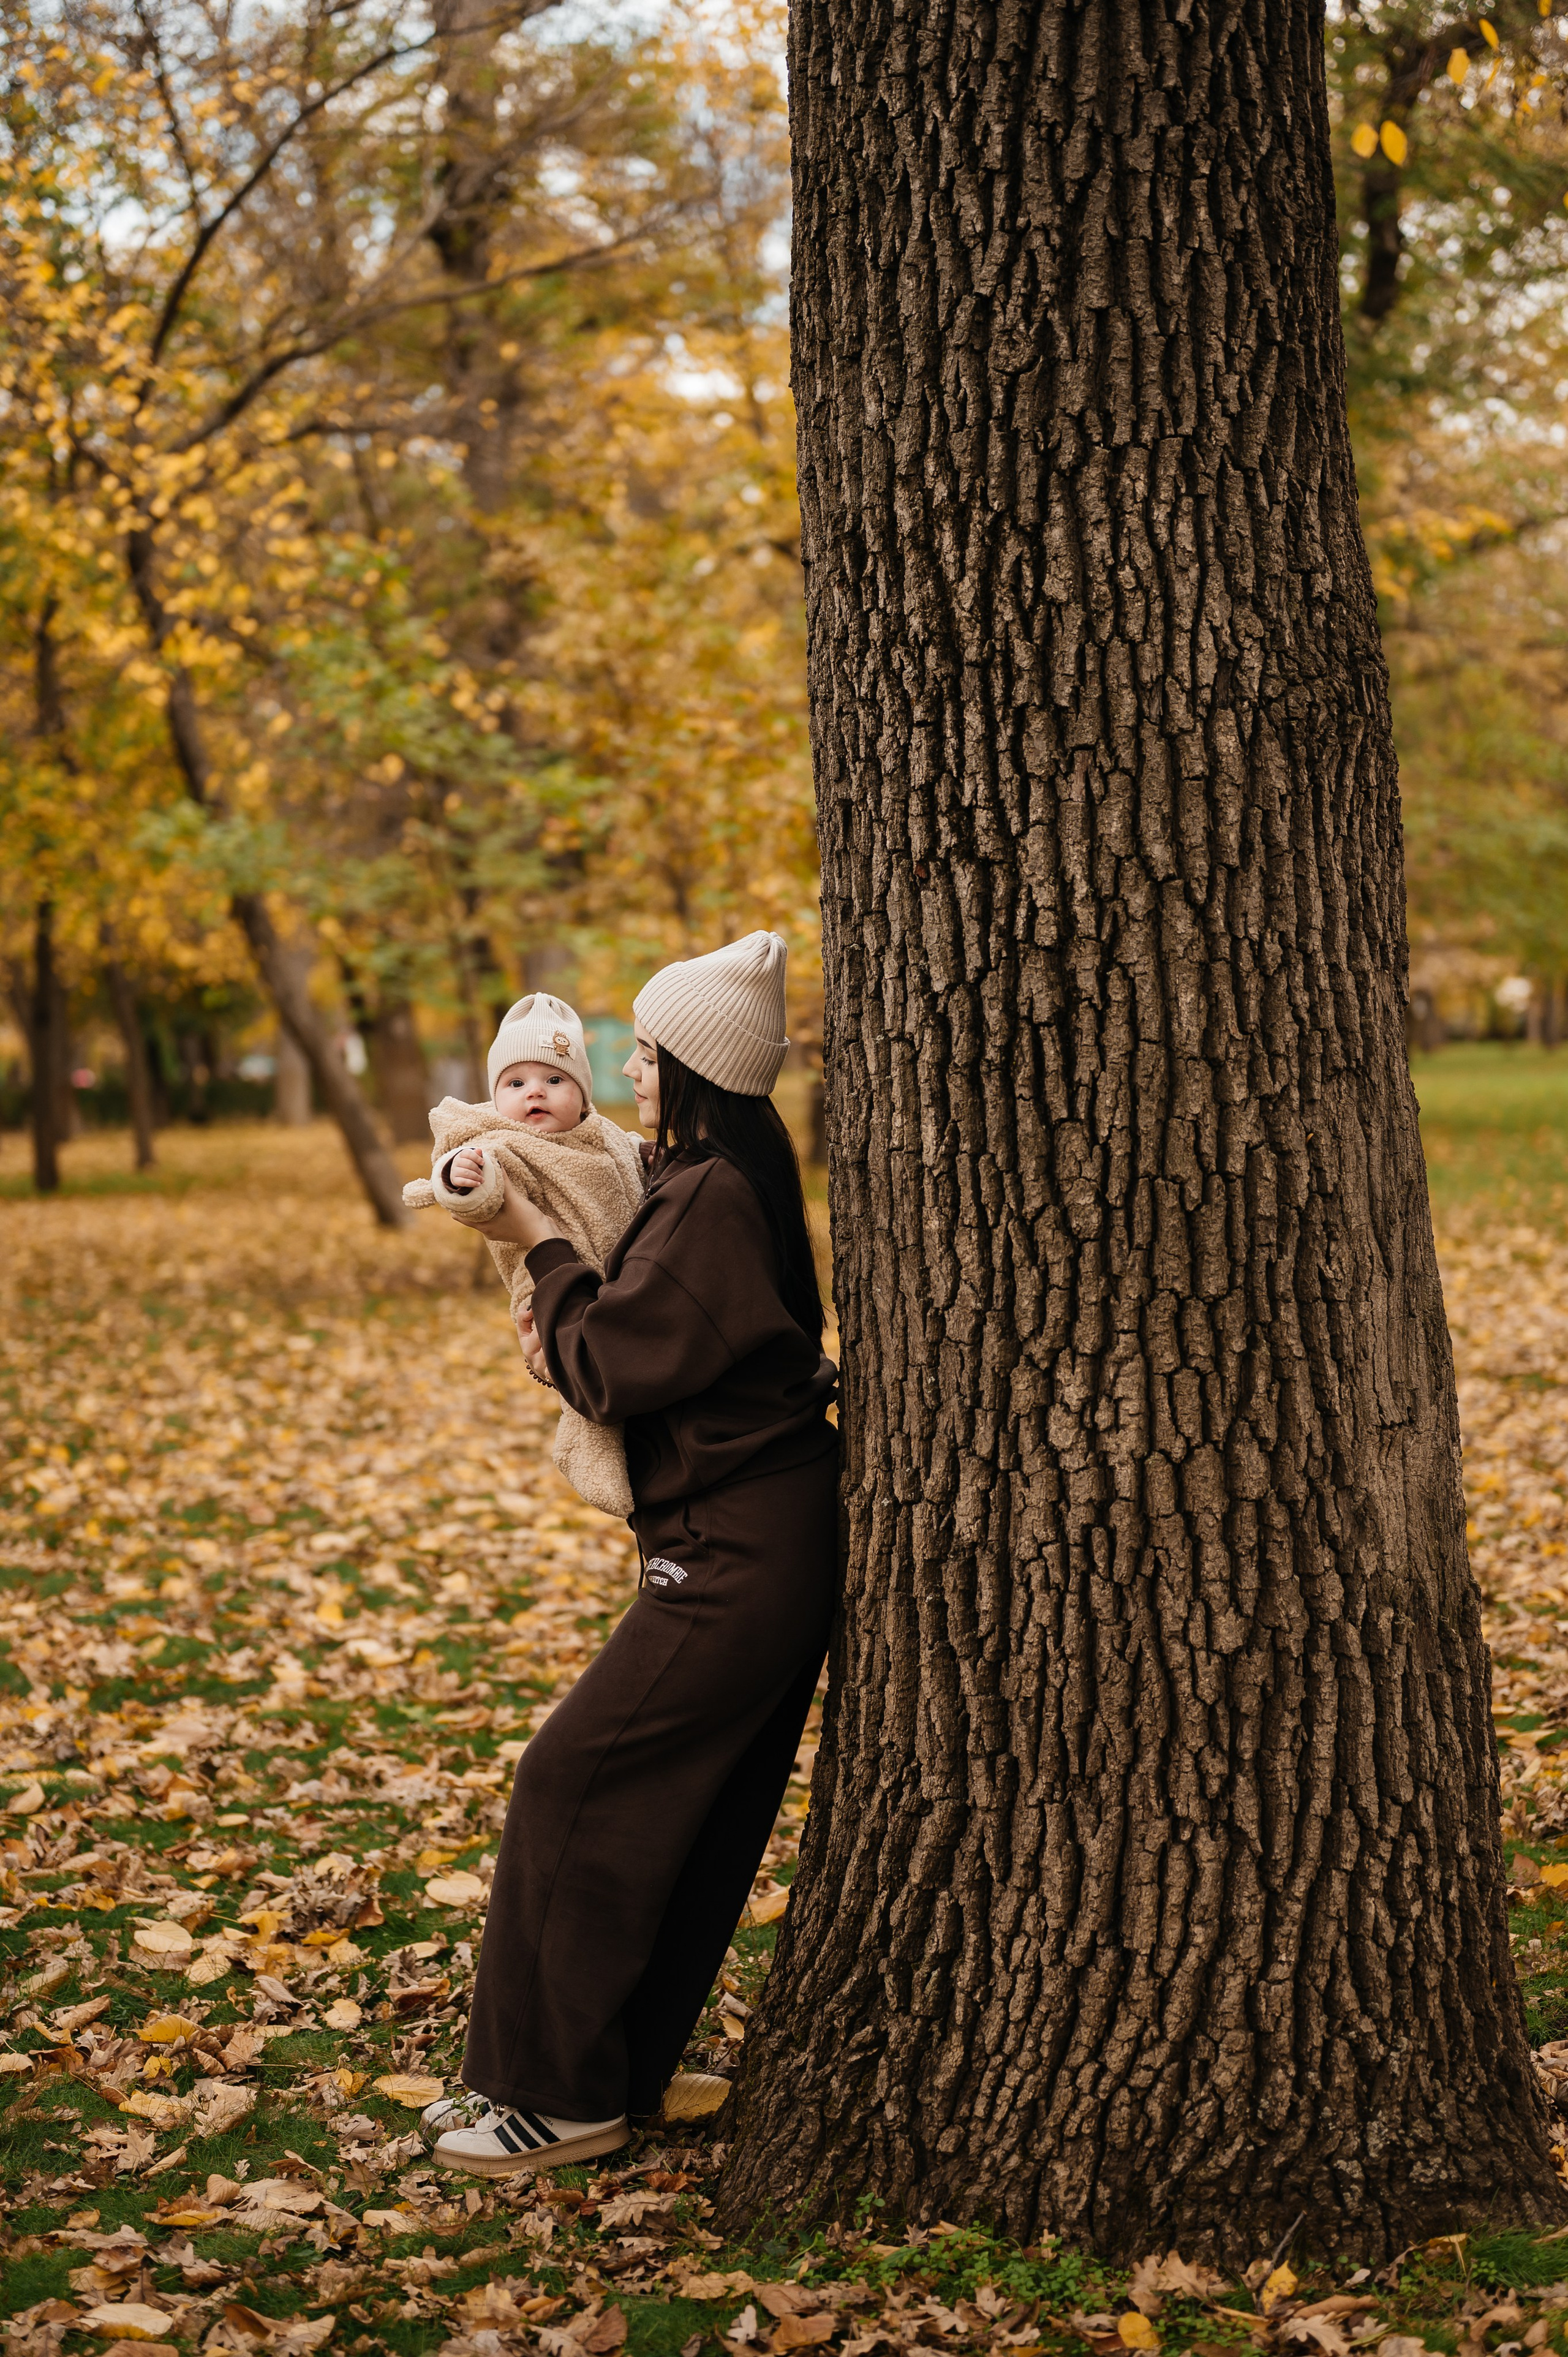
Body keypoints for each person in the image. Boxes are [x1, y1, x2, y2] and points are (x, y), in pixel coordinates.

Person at [422, 931, 839, 2178]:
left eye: (650, 1055)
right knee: (692, 1815)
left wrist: (535, 1247)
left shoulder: (710, 1196)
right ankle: (615, 2073)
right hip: (753, 1529)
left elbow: (608, 1360)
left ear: (699, 1069)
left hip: (737, 1546)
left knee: (572, 1783)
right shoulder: (708, 1176)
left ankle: (555, 2099)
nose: (632, 1072)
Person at [401, 994, 646, 1516]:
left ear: (583, 1095)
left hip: (616, 1285)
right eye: (516, 1084)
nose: (535, 1092)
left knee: (613, 1377)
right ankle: (589, 1445)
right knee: (583, 1381)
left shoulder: (603, 1138)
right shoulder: (501, 1145)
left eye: (554, 1081)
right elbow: (472, 1186)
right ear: (496, 1098)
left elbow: (632, 1159)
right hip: (544, 1285)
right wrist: (460, 1178)